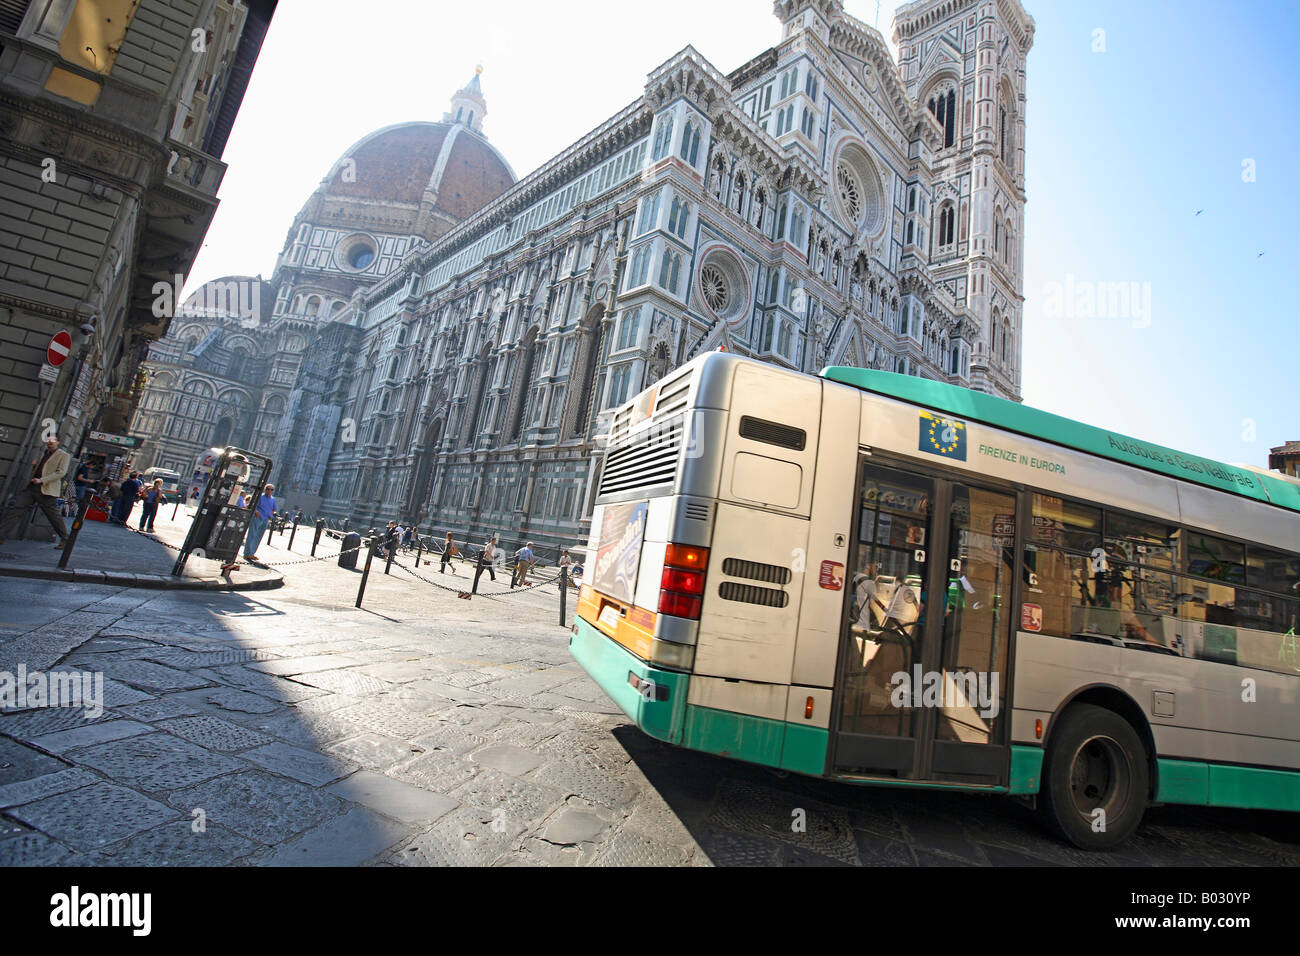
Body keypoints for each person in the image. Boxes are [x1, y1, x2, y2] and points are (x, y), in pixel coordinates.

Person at [0, 435, 72, 548]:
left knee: (53, 516)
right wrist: (35, 467)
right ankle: (1, 535)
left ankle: (65, 538)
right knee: (16, 510)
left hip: (46, 490)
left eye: (52, 441)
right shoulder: (44, 453)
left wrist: (42, 480)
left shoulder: (63, 455)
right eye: (48, 440)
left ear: (58, 442)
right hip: (32, 487)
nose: (50, 442)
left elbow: (61, 473)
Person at [243, 483, 276, 561]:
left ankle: (252, 553)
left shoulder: (272, 499)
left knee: (258, 536)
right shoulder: (260, 496)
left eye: (271, 489)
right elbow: (252, 505)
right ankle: (247, 553)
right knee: (252, 534)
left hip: (265, 519)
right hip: (257, 518)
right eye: (268, 489)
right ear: (265, 489)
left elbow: (274, 508)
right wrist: (256, 512)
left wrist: (270, 515)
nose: (270, 491)